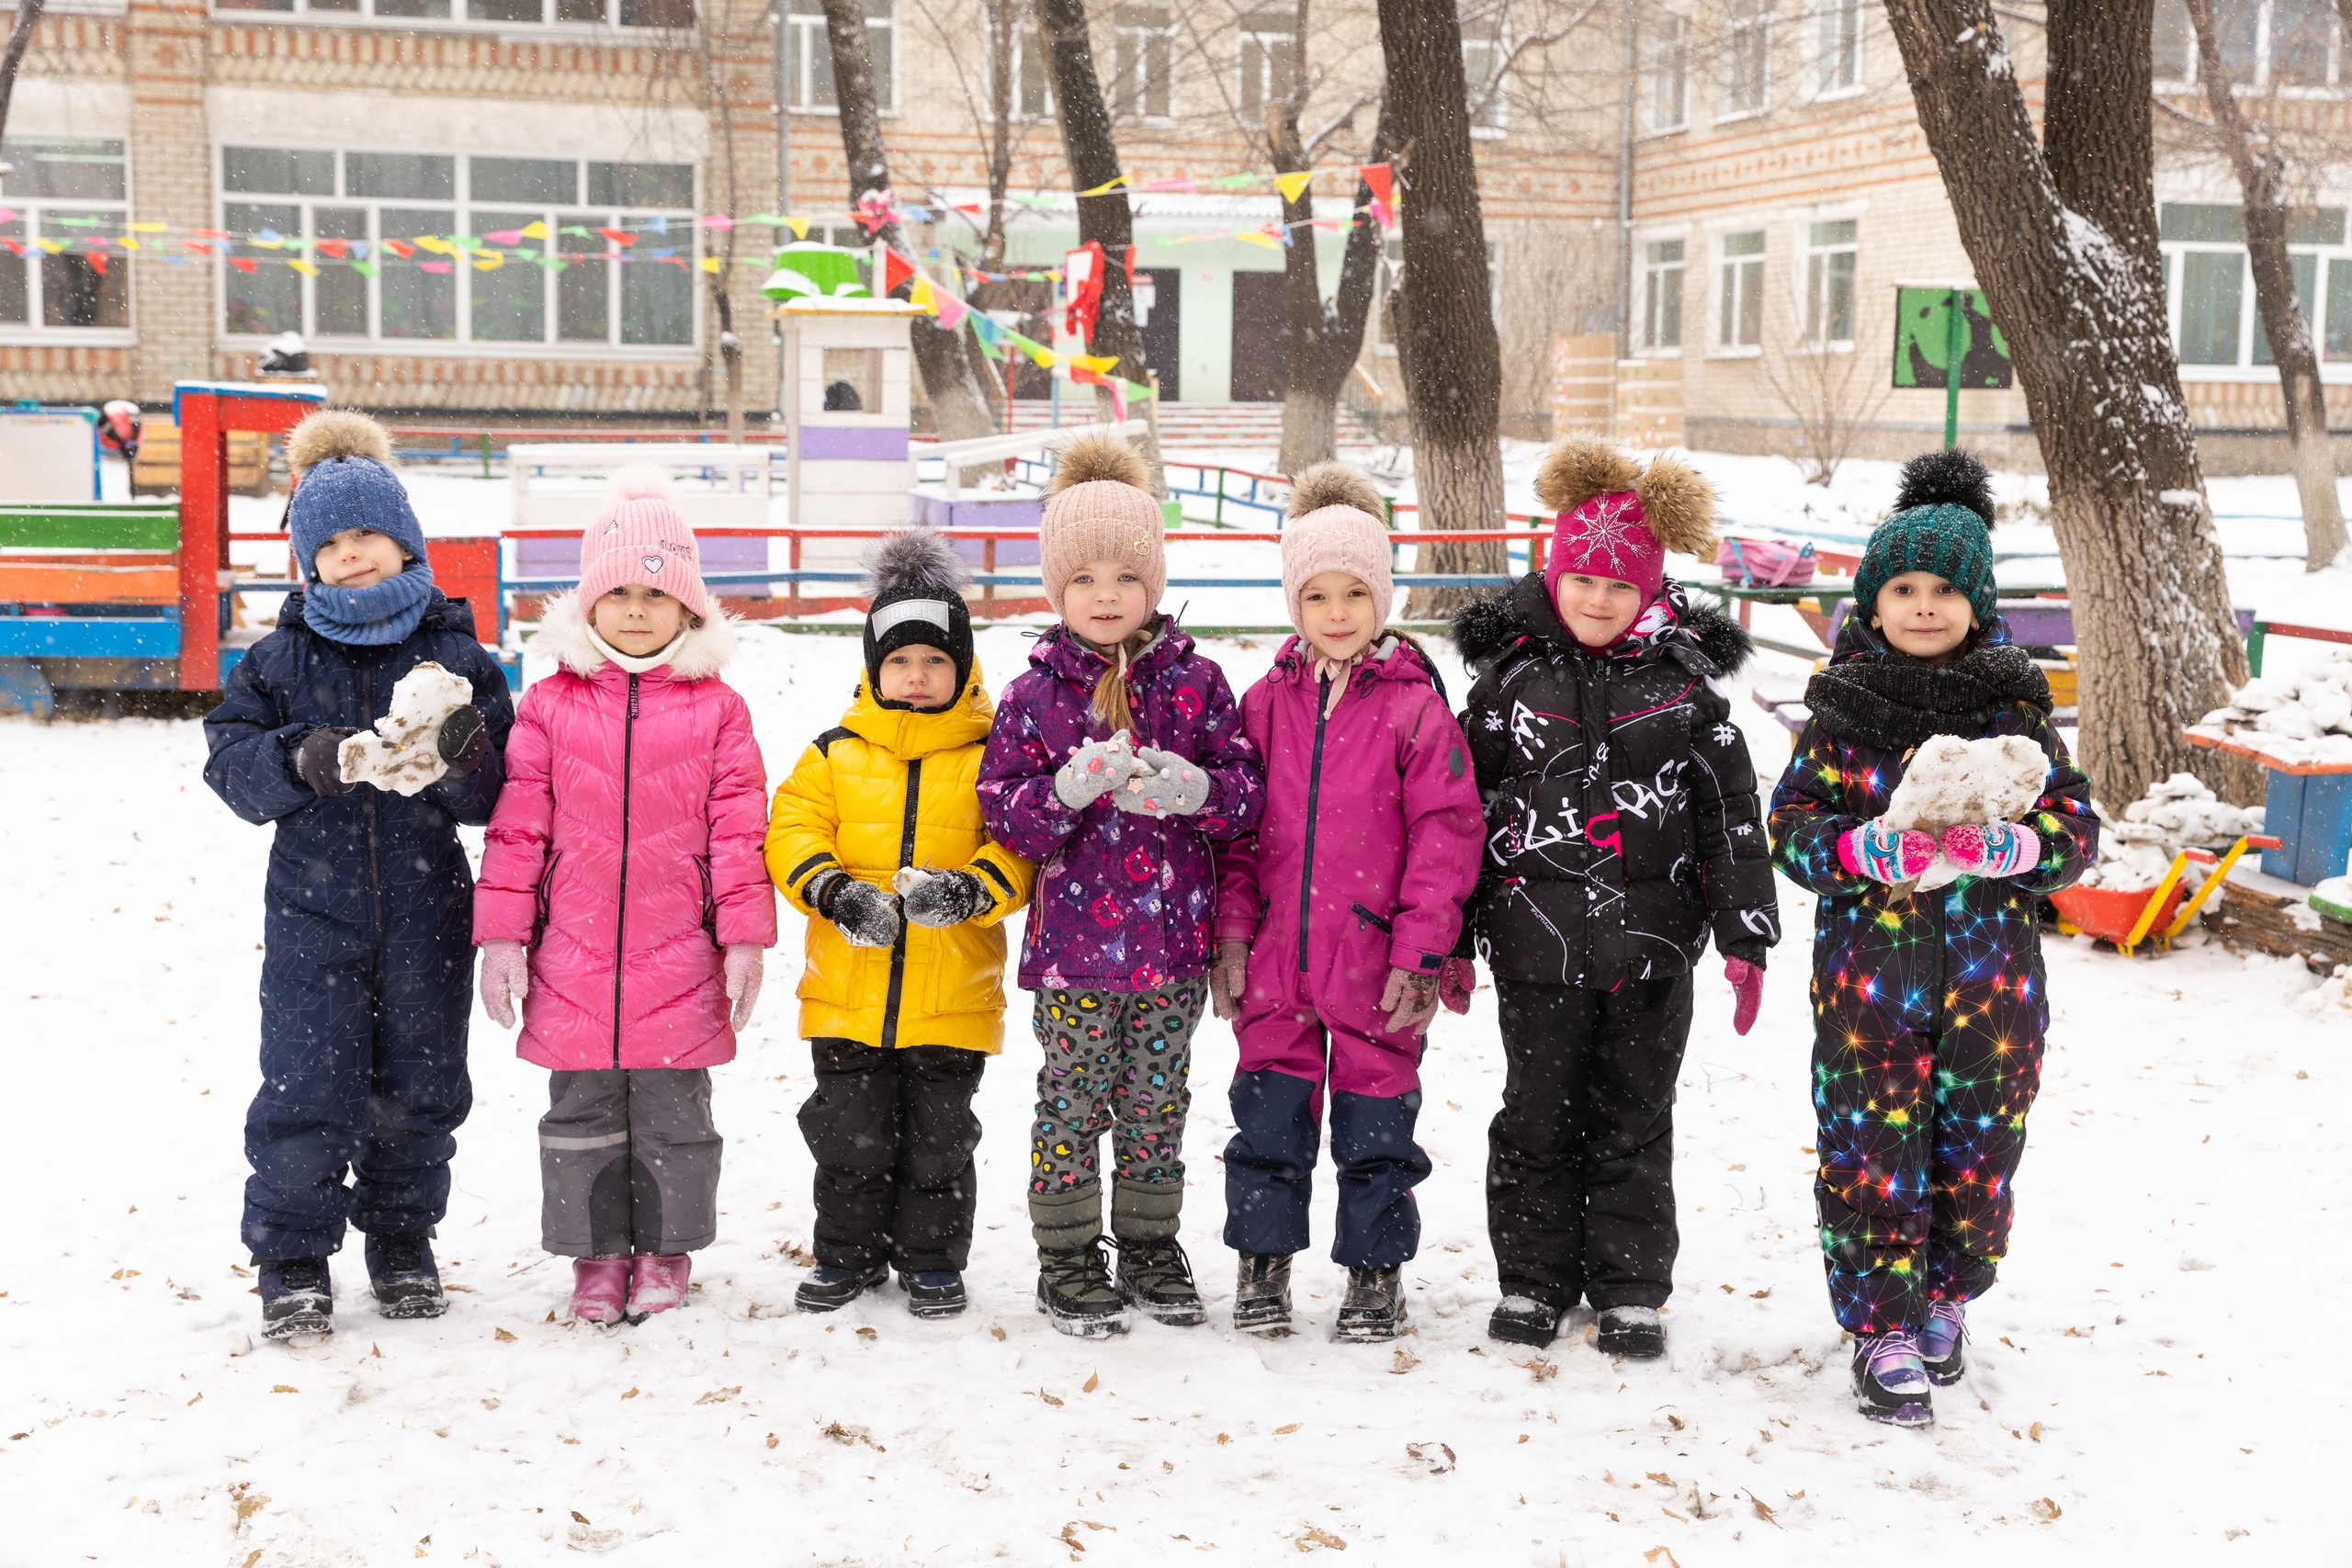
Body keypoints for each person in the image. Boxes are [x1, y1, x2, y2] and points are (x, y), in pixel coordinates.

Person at [1767, 449, 2096, 1427]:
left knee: (1978, 1152)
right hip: (1870, 987)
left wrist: (2018, 845)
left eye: (1944, 589)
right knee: (1871, 1151)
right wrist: (1855, 849)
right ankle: (1880, 1326)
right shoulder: (1840, 715)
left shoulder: (2016, 710)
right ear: (1871, 605)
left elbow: (2075, 830)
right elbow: (1789, 828)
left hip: (1992, 993)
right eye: (1901, 588)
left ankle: (1945, 1295)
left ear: (1977, 602)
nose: (1922, 605)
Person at [1449, 436, 1779, 1359]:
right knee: (1536, 1113)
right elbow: (1457, 818)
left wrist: (1745, 933)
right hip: (1534, 946)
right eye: (1581, 579)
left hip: (1651, 950)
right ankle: (1532, 1278)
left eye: (1619, 586)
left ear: (1650, 591)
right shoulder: (1506, 687)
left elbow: (1730, 819)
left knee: (1635, 1112)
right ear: (1552, 576)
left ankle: (1629, 1284)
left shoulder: (1682, 695)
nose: (1597, 599)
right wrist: (1449, 936)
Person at [203, 409, 513, 1339]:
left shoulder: (458, 656)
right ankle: (291, 1254)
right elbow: (230, 765)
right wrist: (303, 760)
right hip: (313, 910)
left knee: (420, 1081)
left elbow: (496, 791)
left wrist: (464, 755)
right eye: (327, 543)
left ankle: (403, 1238)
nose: (350, 554)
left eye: (365, 534)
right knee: (306, 1082)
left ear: (405, 541)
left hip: (427, 906)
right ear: (308, 560)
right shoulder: (276, 659)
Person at [472, 468, 775, 1325]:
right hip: (574, 956)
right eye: (617, 593)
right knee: (581, 1118)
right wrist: (503, 939)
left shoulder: (719, 711)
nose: (636, 611)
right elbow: (518, 832)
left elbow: (738, 834)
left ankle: (666, 1253)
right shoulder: (548, 706)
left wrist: (743, 938)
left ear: (689, 611)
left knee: (676, 1117)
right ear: (587, 605)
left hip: (680, 952)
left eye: (657, 593)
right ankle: (598, 1258)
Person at [978, 433, 1265, 1337]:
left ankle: (1147, 1242)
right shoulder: (1032, 698)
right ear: (1057, 589)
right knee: (1072, 1095)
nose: (1106, 596)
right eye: (1085, 579)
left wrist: (1198, 791)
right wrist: (1062, 790)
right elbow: (1004, 814)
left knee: (1157, 1098)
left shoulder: (1197, 683)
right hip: (1074, 959)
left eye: (1125, 578)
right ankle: (1066, 1254)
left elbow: (1249, 795)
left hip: (1172, 952)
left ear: (1154, 582)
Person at [1209, 464, 1484, 1341]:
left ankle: (1374, 1273)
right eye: (1317, 594)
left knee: (1377, 1126)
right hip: (1279, 963)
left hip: (1375, 962)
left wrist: (1422, 950)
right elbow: (1239, 837)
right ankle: (1263, 1264)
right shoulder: (1263, 704)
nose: (1336, 613)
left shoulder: (1414, 711)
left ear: (1383, 597)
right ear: (1294, 601)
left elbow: (1445, 839)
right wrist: (1233, 936)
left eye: (1355, 593)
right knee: (1268, 1122)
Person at [765, 532, 1035, 1320]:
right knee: (848, 1140)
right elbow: (791, 831)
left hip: (952, 995)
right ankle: (846, 1256)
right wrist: (836, 892)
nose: (917, 677)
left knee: (939, 1146)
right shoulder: (834, 754)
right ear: (873, 669)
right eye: (900, 662)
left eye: (936, 662)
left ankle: (930, 1260)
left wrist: (970, 890)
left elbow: (1016, 850)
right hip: (848, 993)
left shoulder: (994, 758)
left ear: (964, 669)